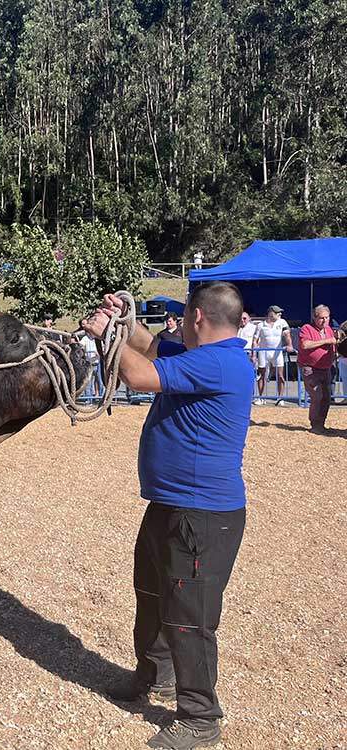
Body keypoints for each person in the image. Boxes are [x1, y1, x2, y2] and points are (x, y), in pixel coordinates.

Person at [82, 282, 254, 749]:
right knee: (153, 594)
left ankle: (200, 717)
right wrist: (124, 324)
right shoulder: (206, 352)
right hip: (172, 505)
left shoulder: (218, 362)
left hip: (202, 514)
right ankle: (154, 676)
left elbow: (138, 375)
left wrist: (106, 336)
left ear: (196, 317)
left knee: (188, 615)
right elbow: (151, 346)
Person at [297, 304, 337, 433]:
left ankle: (321, 423)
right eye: (321, 318)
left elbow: (333, 345)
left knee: (326, 397)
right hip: (310, 369)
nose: (324, 320)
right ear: (314, 317)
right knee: (317, 395)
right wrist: (326, 341)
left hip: (326, 368)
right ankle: (314, 424)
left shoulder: (329, 330)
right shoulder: (307, 328)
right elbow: (305, 344)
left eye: (327, 317)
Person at [252, 305, 293, 405]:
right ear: (270, 313)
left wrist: (289, 345)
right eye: (277, 312)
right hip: (263, 352)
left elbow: (287, 334)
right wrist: (253, 354)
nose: (280, 314)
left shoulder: (282, 322)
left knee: (280, 376)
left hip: (277, 352)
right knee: (262, 375)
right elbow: (255, 340)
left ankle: (280, 398)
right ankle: (261, 398)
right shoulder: (260, 325)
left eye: (280, 312)